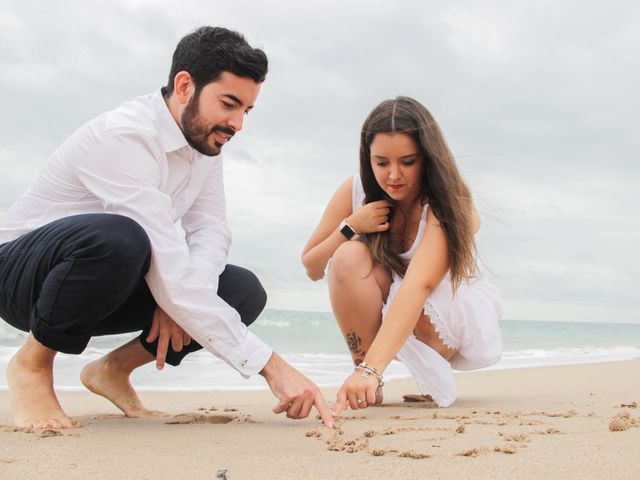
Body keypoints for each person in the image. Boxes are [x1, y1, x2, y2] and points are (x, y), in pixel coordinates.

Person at [0, 26, 333, 430]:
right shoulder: (123, 136)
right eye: (229, 104)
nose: (237, 124)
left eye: (246, 110)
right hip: (21, 276)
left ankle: (111, 370)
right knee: (121, 239)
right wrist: (274, 368)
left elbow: (210, 231)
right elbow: (156, 246)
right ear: (184, 85)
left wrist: (186, 297)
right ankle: (31, 365)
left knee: (241, 290)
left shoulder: (205, 146)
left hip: (107, 279)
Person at [301, 96, 503, 414]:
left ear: (428, 158)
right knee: (347, 257)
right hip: (394, 307)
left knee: (414, 297)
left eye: (407, 162)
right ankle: (367, 377)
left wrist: (371, 369)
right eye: (381, 163)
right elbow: (312, 267)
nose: (393, 175)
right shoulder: (355, 191)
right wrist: (351, 226)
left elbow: (418, 285)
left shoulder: (449, 202)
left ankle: (372, 373)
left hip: (446, 309)